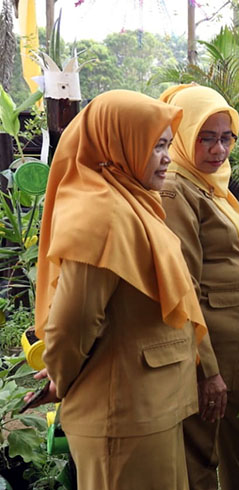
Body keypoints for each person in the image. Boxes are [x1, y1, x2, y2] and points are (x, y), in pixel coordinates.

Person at [28, 90, 207, 489]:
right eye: (155, 145)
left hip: (146, 405)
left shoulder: (133, 202)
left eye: (167, 145)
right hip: (122, 413)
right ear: (118, 141)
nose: (166, 156)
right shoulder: (101, 213)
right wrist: (62, 376)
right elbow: (72, 324)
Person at [159, 84, 239, 490]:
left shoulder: (209, 183)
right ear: (182, 136)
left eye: (226, 137)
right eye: (206, 137)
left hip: (232, 337)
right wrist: (206, 371)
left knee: (236, 431)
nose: (219, 149)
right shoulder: (176, 188)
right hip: (210, 345)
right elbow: (182, 284)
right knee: (204, 449)